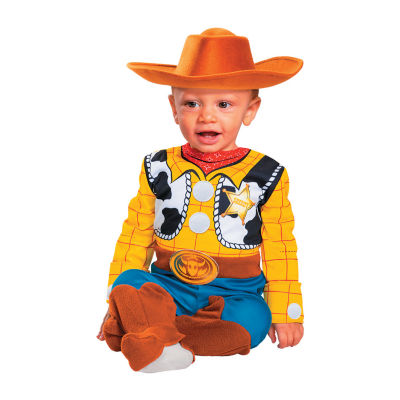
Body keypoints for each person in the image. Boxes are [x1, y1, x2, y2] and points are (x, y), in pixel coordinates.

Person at [97, 27, 304, 373]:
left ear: (250, 110)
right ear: (174, 109)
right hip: (167, 287)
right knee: (128, 282)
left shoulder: (267, 174)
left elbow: (280, 245)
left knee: (254, 318)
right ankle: (154, 331)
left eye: (224, 104)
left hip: (234, 293)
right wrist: (115, 300)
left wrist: (286, 312)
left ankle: (149, 334)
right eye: (192, 103)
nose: (207, 116)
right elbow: (135, 234)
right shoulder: (157, 166)